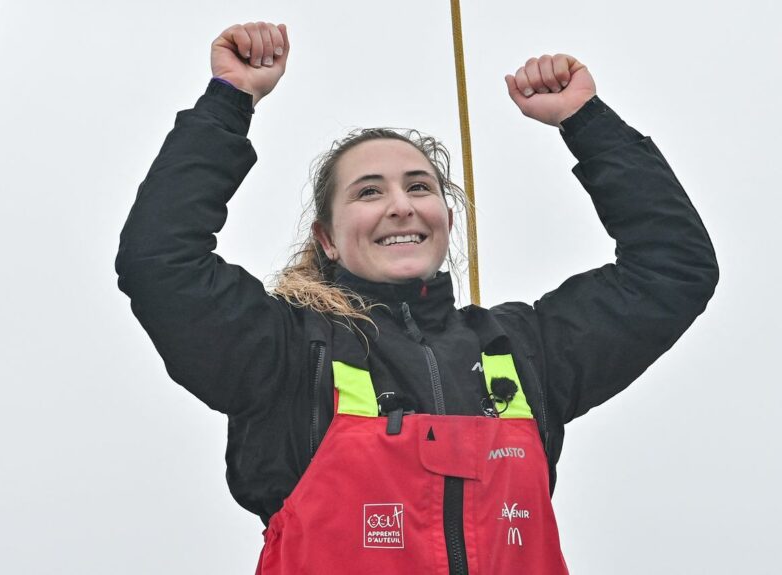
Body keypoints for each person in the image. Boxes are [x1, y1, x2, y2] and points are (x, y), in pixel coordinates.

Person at [116, 21, 717, 574]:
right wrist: (230, 100)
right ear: (326, 238)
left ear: (446, 220)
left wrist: (586, 120)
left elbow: (674, 268)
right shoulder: (286, 355)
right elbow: (160, 261)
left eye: (419, 187)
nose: (400, 205)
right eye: (369, 191)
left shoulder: (523, 351)